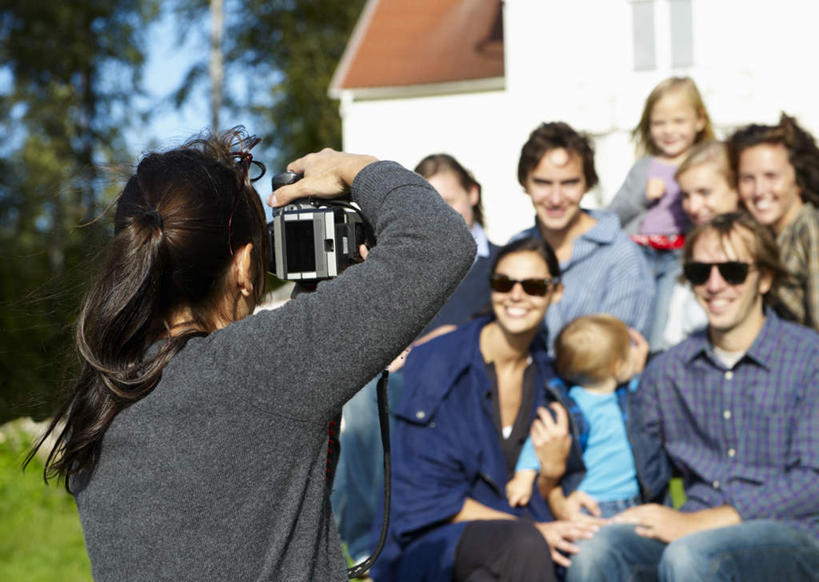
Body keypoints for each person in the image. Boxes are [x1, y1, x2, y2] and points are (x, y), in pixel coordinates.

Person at [26, 129, 477, 581]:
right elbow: (438, 239)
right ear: (243, 267)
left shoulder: (102, 395)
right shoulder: (253, 370)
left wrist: (317, 314)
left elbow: (271, 495)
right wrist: (354, 168)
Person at [565, 212, 819, 581]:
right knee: (595, 550)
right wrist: (561, 488)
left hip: (789, 531)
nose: (714, 285)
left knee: (691, 555)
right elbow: (637, 460)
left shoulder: (809, 357)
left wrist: (707, 521)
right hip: (690, 527)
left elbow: (813, 478)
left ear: (764, 279)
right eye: (700, 272)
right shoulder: (668, 370)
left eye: (732, 271)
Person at [371, 237, 598, 582]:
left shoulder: (551, 379)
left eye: (534, 287)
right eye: (504, 283)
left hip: (512, 551)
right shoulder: (440, 362)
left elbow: (538, 495)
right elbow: (423, 496)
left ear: (556, 292)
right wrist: (534, 530)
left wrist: (550, 477)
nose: (516, 295)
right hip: (431, 544)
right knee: (523, 545)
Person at [331, 153, 498, 564]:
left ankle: (365, 537)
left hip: (466, 377)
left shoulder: (500, 266)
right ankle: (365, 542)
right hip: (403, 375)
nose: (445, 214)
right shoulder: (403, 266)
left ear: (474, 194)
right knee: (362, 398)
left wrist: (437, 344)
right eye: (433, 203)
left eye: (451, 200)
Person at [506, 314, 666, 521]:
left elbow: (638, 383)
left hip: (635, 500)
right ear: (617, 367)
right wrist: (523, 477)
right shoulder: (572, 407)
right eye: (629, 351)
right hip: (592, 504)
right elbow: (538, 440)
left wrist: (637, 368)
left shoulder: (627, 395)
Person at [514, 121, 654, 353]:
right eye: (543, 183)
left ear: (587, 184)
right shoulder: (516, 249)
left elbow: (617, 353)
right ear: (525, 184)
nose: (556, 198)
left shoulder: (620, 255)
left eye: (569, 183)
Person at [608, 77, 715, 351]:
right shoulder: (643, 167)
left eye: (679, 121)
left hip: (678, 256)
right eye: (659, 123)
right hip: (638, 253)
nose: (669, 131)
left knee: (663, 323)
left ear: (699, 120)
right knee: (630, 317)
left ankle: (655, 363)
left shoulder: (707, 165)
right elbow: (613, 214)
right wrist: (641, 197)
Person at [728, 112, 819, 331]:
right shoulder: (765, 236)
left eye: (771, 176)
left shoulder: (810, 228)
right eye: (748, 179)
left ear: (798, 179)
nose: (759, 190)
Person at [661, 141, 741, 349]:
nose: (693, 207)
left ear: (736, 188)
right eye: (686, 196)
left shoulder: (750, 252)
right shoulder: (686, 244)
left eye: (705, 193)